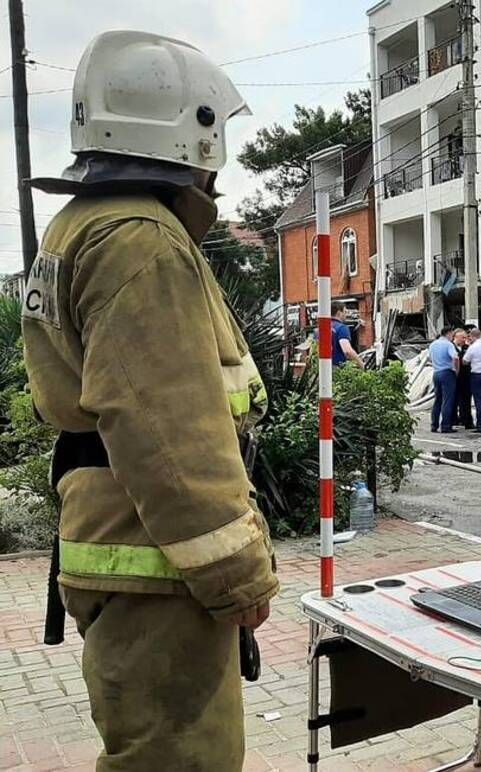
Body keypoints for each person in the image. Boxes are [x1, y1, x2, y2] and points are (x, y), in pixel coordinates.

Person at [21, 31, 277, 769]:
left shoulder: (79, 228)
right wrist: (238, 577)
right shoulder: (143, 241)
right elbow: (168, 435)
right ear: (187, 131)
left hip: (121, 548)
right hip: (160, 566)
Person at [429, 327, 460, 433]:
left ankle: (434, 425)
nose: (453, 337)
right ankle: (446, 426)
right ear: (449, 333)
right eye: (452, 334)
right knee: (447, 400)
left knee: (437, 400)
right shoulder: (448, 344)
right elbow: (455, 357)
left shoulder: (433, 344)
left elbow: (430, 358)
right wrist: (456, 370)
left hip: (436, 373)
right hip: (447, 373)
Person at [454, 326, 475, 430]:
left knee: (465, 400)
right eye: (462, 337)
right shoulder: (452, 347)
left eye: (465, 337)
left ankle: (465, 419)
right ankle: (457, 419)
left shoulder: (466, 348)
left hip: (466, 377)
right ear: (456, 337)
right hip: (456, 376)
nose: (464, 339)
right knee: (456, 399)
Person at [331, 304, 365, 368]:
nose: (346, 315)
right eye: (345, 312)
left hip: (321, 371)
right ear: (339, 313)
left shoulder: (321, 329)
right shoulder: (341, 328)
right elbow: (347, 351)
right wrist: (361, 364)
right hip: (337, 370)